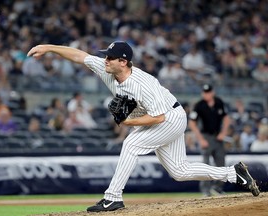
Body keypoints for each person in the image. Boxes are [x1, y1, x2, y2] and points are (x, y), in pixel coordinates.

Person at [27, 41, 260, 212]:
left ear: (124, 62)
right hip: (163, 117)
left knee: (130, 144)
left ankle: (112, 197)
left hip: (169, 117)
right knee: (179, 172)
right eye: (106, 56)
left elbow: (158, 118)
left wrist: (129, 123)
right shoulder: (107, 68)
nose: (105, 60)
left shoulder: (141, 84)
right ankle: (233, 174)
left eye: (110, 57)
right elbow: (80, 56)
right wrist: (48, 47)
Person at [188, 84, 231, 197]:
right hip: (206, 137)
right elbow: (192, 123)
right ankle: (205, 190)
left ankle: (217, 188)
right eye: (204, 92)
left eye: (208, 92)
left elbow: (226, 118)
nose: (206, 94)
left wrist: (223, 132)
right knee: (205, 165)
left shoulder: (219, 102)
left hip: (218, 137)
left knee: (221, 163)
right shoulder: (199, 105)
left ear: (213, 92)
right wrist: (201, 139)